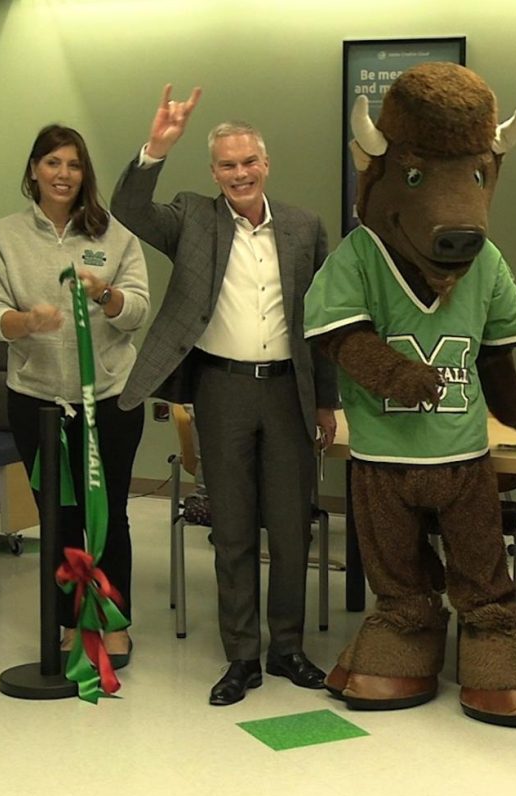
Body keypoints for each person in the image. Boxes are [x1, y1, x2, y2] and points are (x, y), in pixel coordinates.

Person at [111, 86, 336, 706]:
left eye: (249, 163)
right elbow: (129, 207)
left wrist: (327, 402)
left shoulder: (303, 227)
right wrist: (157, 147)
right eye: (227, 165)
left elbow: (323, 323)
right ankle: (242, 657)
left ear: (266, 166)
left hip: (289, 391)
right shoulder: (191, 218)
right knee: (233, 529)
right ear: (214, 172)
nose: (239, 173)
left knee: (291, 530)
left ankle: (286, 648)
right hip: (221, 390)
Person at [0, 124, 150, 667]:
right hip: (38, 401)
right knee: (59, 516)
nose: (63, 175)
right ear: (33, 170)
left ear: (84, 174)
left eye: (73, 165)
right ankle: (71, 620)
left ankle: (113, 622)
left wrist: (108, 295)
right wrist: (23, 322)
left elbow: (140, 310)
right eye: (52, 163)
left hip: (111, 400)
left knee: (109, 512)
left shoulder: (115, 235)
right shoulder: (4, 236)